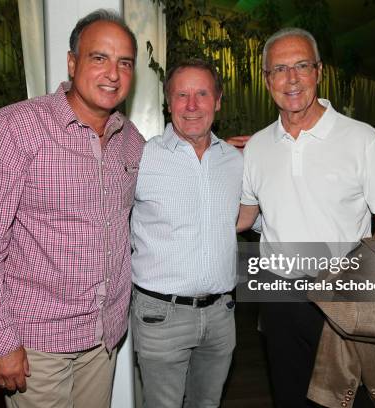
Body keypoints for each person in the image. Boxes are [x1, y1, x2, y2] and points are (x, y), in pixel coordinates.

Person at [0, 10, 144, 408]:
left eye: (124, 62)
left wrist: (216, 154)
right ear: (72, 63)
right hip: (36, 345)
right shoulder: (14, 129)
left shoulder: (131, 141)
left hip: (103, 338)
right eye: (99, 58)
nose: (113, 73)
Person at [236, 27, 375, 407]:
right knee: (289, 394)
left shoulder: (362, 139)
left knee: (353, 398)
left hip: (344, 294)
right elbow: (244, 217)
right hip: (279, 297)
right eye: (279, 69)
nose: (291, 79)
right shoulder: (258, 146)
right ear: (266, 79)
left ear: (319, 71)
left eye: (301, 66)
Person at [130, 59, 242, 408]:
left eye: (202, 94)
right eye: (181, 95)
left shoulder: (236, 161)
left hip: (222, 315)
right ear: (168, 103)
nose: (192, 105)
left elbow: (245, 218)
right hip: (160, 316)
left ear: (218, 101)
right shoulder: (141, 158)